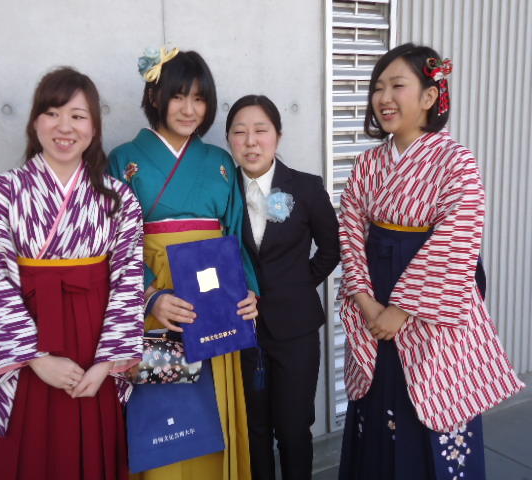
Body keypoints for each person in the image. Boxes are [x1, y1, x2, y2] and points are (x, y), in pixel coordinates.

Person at [337, 43, 525, 480]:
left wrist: (401, 310)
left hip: (430, 302)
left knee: (435, 395)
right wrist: (366, 302)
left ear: (428, 96)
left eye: (397, 86)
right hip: (374, 296)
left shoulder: (456, 161)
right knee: (377, 398)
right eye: (378, 88)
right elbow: (349, 231)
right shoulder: (368, 164)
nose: (384, 98)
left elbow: (457, 238)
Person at [0, 67, 145, 480]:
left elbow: (129, 280)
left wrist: (107, 363)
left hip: (96, 346)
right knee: (27, 454)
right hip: (24, 348)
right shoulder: (0, 194)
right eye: (53, 113)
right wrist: (35, 358)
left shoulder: (118, 200)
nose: (65, 127)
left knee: (93, 449)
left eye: (77, 116)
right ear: (35, 122)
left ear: (94, 128)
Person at [109, 47, 259, 480]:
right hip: (156, 299)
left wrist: (248, 291)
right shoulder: (123, 160)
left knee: (213, 405)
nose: (189, 109)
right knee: (164, 411)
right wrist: (149, 296)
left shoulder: (220, 163)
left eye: (199, 99)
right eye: (178, 96)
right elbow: (115, 241)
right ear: (155, 97)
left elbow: (235, 235)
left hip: (214, 303)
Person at [225, 94, 340, 480]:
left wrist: (298, 286)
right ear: (229, 140)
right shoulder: (224, 190)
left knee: (293, 430)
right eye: (240, 132)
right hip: (243, 330)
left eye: (260, 130)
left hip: (296, 331)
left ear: (278, 135)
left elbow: (331, 248)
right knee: (254, 429)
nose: (251, 141)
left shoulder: (305, 187)